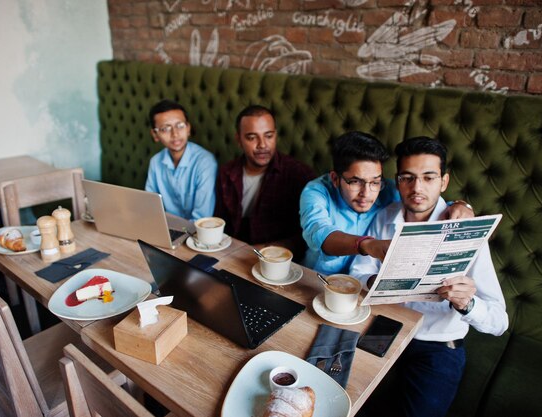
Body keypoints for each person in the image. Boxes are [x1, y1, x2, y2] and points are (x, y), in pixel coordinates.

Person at [350, 136, 508, 417]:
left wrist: (467, 304)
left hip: (438, 344)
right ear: (396, 181)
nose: (417, 188)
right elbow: (360, 272)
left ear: (444, 182)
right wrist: (375, 282)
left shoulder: (466, 231)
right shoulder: (385, 217)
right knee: (344, 398)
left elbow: (499, 322)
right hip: (384, 327)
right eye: (407, 178)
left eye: (428, 177)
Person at [300, 131, 473, 276]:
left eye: (375, 182)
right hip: (316, 279)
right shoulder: (316, 192)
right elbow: (320, 233)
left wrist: (459, 205)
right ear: (335, 179)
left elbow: (422, 200)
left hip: (361, 289)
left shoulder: (390, 191)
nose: (366, 193)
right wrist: (368, 245)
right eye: (355, 181)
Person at [214, 105, 316, 255]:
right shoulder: (227, 172)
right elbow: (220, 221)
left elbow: (307, 236)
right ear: (239, 140)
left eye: (268, 136)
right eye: (252, 137)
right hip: (230, 252)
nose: (262, 145)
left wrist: (261, 250)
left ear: (275, 135)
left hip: (277, 259)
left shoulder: (299, 175)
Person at [145, 99, 217, 221]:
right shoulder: (155, 162)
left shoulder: (205, 162)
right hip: (164, 228)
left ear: (188, 128)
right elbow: (150, 205)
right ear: (155, 135)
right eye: (165, 128)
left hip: (196, 233)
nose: (175, 134)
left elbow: (202, 218)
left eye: (180, 126)